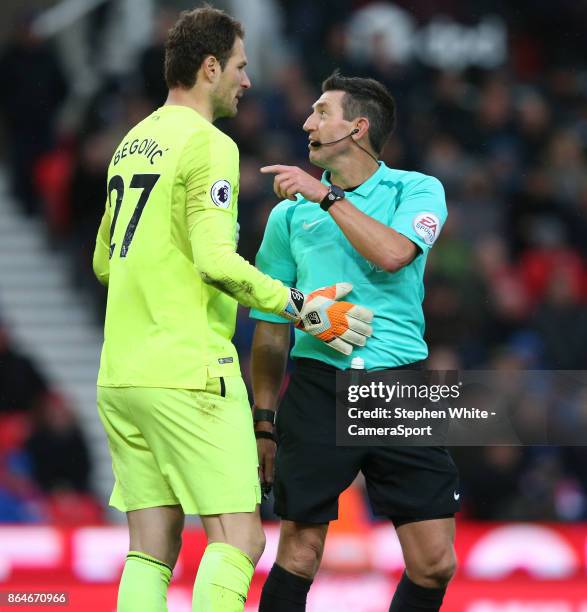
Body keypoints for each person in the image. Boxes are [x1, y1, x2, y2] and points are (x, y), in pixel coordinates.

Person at [92, 8, 373, 612]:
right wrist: (302, 307)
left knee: (150, 548)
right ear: (211, 67)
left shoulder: (130, 142)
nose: (248, 80)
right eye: (241, 67)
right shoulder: (209, 144)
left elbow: (104, 262)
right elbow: (217, 262)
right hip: (189, 371)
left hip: (122, 373)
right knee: (239, 539)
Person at [251, 72, 460, 611]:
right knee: (299, 553)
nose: (307, 122)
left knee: (435, 563)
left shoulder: (417, 190)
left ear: (358, 127)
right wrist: (264, 421)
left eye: (322, 112)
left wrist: (327, 196)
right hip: (319, 384)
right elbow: (272, 326)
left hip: (399, 388)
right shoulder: (285, 217)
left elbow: (392, 254)